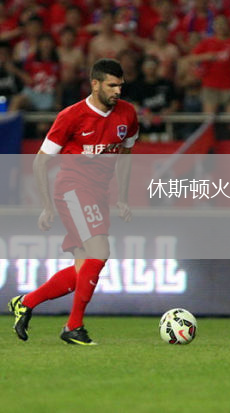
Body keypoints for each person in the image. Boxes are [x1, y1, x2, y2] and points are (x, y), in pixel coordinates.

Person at [8, 58, 139, 346]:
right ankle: (73, 326)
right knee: (100, 251)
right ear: (95, 84)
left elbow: (126, 156)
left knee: (84, 269)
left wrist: (122, 197)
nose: (117, 91)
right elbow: (41, 162)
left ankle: (26, 302)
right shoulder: (71, 116)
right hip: (73, 189)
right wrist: (47, 206)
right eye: (111, 85)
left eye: (120, 85)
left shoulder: (128, 114)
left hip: (99, 194)